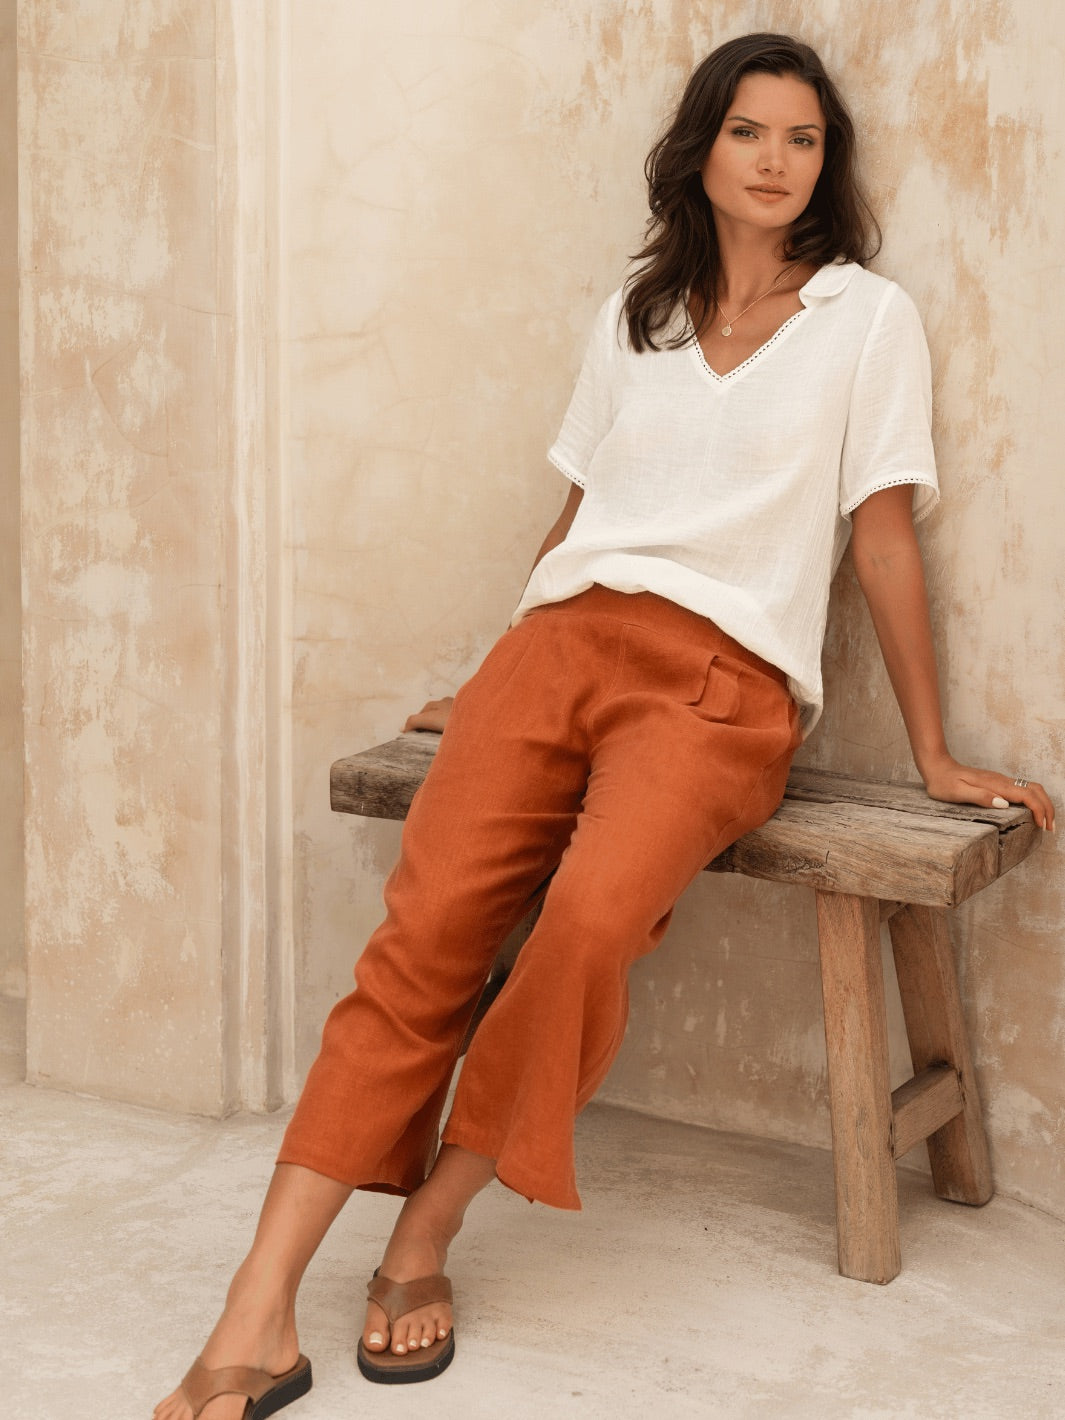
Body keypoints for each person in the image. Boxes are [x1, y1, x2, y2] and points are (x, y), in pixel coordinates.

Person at [154, 31, 1055, 1420]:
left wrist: (934, 754)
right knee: (421, 947)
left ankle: (426, 1232)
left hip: (717, 688)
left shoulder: (863, 320)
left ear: (827, 164)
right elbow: (579, 518)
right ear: (700, 147)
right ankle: (255, 1311)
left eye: (800, 138)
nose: (773, 159)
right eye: (747, 131)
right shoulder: (632, 317)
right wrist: (496, 669)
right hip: (554, 649)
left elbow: (879, 535)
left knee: (579, 931)